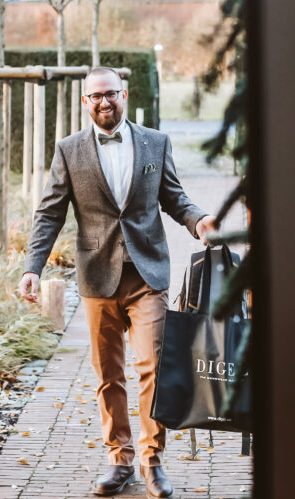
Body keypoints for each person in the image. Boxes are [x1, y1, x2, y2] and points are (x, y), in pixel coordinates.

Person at [18, 67, 216, 499]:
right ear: (85, 102)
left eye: (111, 93)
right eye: (96, 96)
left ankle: (152, 460)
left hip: (147, 274)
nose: (104, 102)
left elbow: (174, 197)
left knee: (153, 367)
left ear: (124, 95)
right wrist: (34, 266)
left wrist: (198, 220)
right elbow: (50, 213)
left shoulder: (155, 142)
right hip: (98, 276)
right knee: (108, 374)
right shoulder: (69, 150)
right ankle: (119, 459)